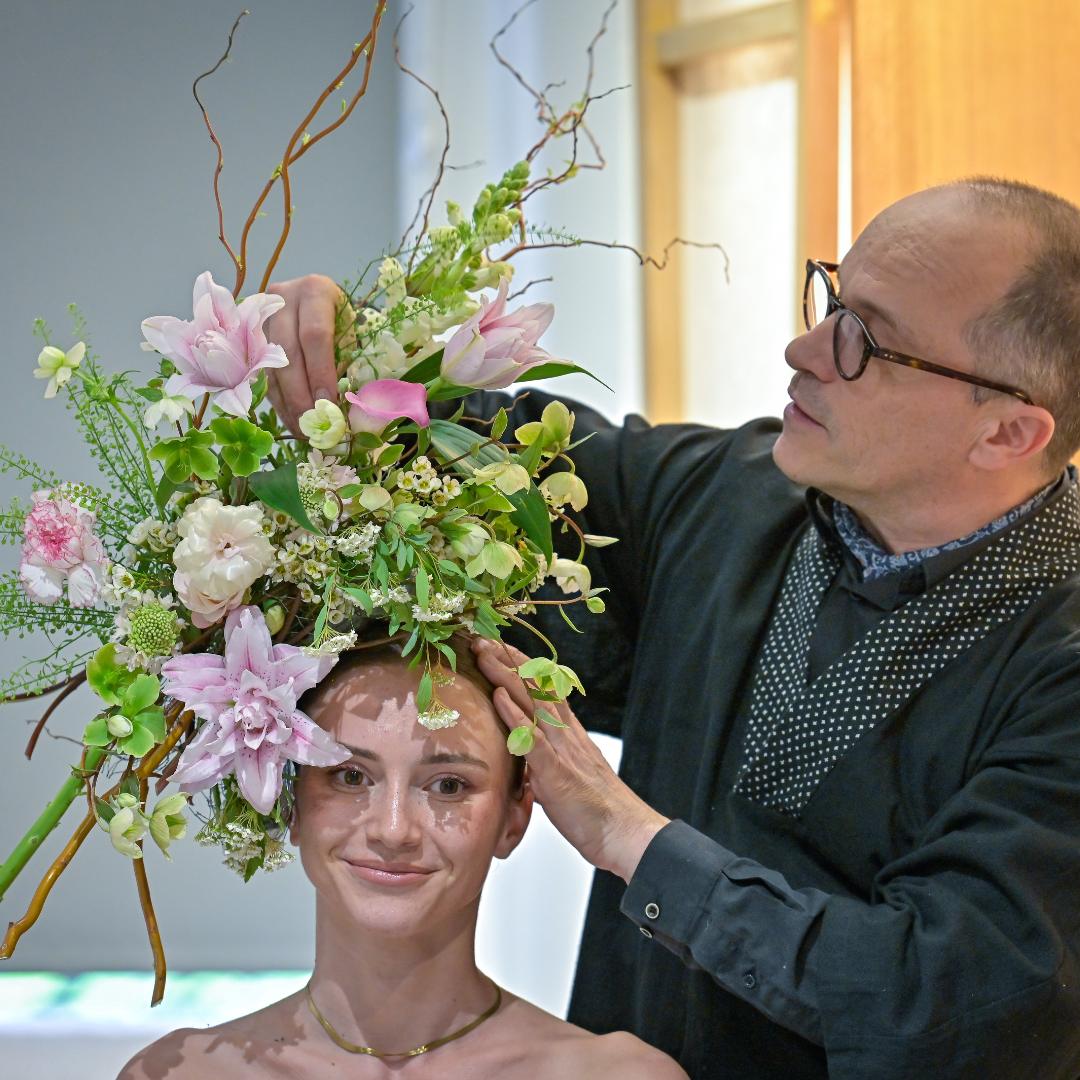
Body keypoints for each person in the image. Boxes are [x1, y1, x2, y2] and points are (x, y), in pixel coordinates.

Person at [263, 178, 1080, 1078]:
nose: (804, 347)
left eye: (865, 340)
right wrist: (350, 354)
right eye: (831, 297)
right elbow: (477, 463)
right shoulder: (727, 496)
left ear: (1008, 432)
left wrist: (629, 838)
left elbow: (944, 1000)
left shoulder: (1060, 669)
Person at [119, 637, 687, 1079]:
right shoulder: (181, 1073)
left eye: (447, 786)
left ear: (517, 815)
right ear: (289, 801)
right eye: (349, 776)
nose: (394, 830)